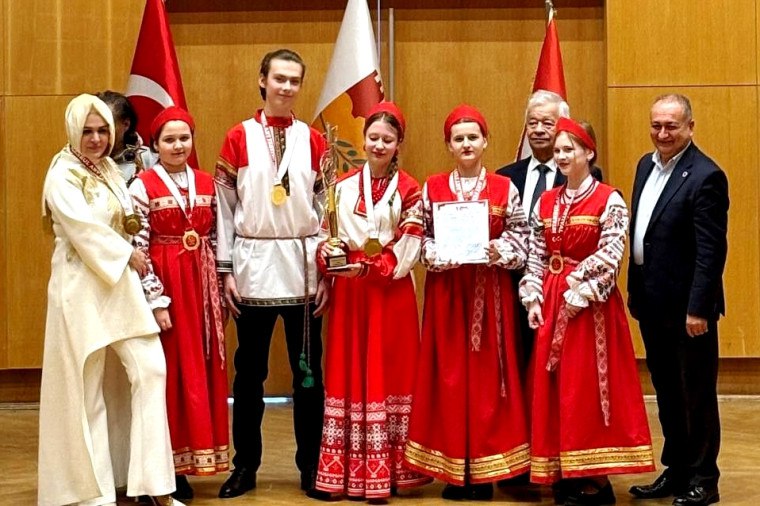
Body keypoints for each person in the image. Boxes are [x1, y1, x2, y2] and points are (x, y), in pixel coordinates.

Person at [38, 94, 182, 506]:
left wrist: (129, 255)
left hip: (120, 286)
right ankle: (94, 492)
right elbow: (82, 229)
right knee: (88, 387)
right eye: (87, 131)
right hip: (80, 289)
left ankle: (155, 485)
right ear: (73, 131)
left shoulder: (108, 169)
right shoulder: (62, 174)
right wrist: (126, 254)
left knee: (150, 369)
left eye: (103, 130)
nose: (97, 139)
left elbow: (127, 221)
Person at [520, 117, 655, 505]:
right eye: (558, 150)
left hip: (589, 307)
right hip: (552, 300)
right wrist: (533, 296)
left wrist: (579, 289)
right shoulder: (547, 201)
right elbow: (536, 252)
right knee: (554, 387)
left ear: (589, 153)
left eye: (570, 149)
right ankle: (562, 471)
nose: (562, 156)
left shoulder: (609, 199)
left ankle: (595, 479)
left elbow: (612, 252)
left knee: (587, 388)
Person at [214, 48, 329, 498]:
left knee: (308, 376)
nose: (286, 87)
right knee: (249, 375)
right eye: (279, 78)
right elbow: (224, 208)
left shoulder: (313, 139)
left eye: (294, 80)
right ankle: (245, 467)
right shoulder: (238, 136)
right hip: (254, 266)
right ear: (262, 80)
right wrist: (226, 268)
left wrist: (326, 271)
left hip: (302, 268)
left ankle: (311, 467)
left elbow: (326, 208)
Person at [404, 104, 531, 501]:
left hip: (490, 296)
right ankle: (454, 471)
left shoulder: (504, 188)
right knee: (449, 378)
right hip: (447, 296)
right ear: (448, 145)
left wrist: (500, 250)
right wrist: (434, 253)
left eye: (473, 137)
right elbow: (418, 236)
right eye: (458, 139)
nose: (466, 144)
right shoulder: (432, 187)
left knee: (489, 381)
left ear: (485, 141)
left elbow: (522, 237)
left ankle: (485, 471)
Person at [308, 102, 432, 503]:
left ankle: (390, 472)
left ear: (399, 144)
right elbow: (325, 237)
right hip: (351, 295)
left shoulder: (411, 190)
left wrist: (370, 267)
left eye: (387, 140)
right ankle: (343, 473)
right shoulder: (342, 186)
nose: (379, 145)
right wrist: (328, 255)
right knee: (348, 370)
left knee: (390, 371)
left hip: (390, 292)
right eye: (373, 137)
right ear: (363, 140)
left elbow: (409, 245)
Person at [627, 94, 728, 506]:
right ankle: (678, 469)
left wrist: (699, 308)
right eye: (656, 125)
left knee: (695, 394)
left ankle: (704, 478)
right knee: (667, 392)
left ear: (690, 127)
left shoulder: (706, 176)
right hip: (651, 304)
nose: (663, 133)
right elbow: (645, 233)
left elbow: (711, 251)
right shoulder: (644, 166)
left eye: (671, 126)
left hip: (689, 311)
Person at [129, 106, 229, 500]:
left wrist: (218, 291)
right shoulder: (142, 185)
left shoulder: (206, 183)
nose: (177, 145)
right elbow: (137, 247)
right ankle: (164, 469)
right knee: (169, 376)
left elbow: (217, 239)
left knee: (199, 371)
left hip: (200, 289)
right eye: (169, 139)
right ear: (155, 145)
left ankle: (194, 460)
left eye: (184, 138)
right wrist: (156, 300)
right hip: (167, 287)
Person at [496, 90, 602, 372]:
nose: (539, 130)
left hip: (564, 289)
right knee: (517, 363)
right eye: (532, 123)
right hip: (514, 284)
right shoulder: (505, 176)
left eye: (547, 123)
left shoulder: (582, 176)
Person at [96, 90, 156, 184]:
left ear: (126, 124)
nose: (96, 136)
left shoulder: (147, 159)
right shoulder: (79, 159)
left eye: (106, 127)